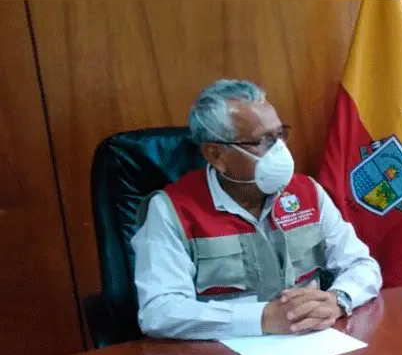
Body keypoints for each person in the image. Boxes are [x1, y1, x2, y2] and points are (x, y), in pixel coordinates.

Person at [132, 79, 382, 340]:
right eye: (263, 141)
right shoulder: (171, 210)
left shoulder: (306, 192)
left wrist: (338, 299)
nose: (280, 150)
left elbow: (362, 265)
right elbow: (159, 311)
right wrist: (262, 318)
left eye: (280, 135)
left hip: (309, 344)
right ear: (216, 155)